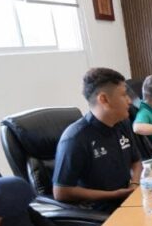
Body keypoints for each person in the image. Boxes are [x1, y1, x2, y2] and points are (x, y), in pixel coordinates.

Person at [53, 67, 143, 212]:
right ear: (104, 99)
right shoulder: (74, 138)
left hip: (129, 199)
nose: (129, 101)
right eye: (124, 95)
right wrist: (113, 195)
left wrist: (135, 183)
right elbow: (61, 192)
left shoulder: (122, 123)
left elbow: (136, 161)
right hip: (100, 212)